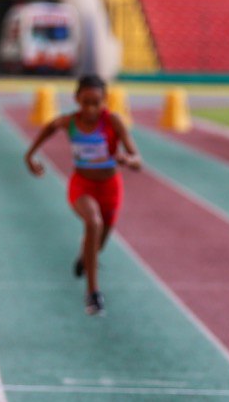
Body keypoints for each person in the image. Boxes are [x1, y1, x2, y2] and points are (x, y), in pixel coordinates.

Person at [24, 74, 142, 316]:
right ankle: (93, 293)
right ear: (76, 98)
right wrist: (30, 155)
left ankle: (84, 256)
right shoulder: (70, 122)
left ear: (104, 100)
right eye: (85, 101)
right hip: (82, 185)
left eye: (96, 102)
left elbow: (138, 160)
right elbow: (49, 127)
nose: (90, 108)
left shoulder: (113, 122)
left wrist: (128, 160)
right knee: (93, 222)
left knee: (99, 243)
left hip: (110, 188)